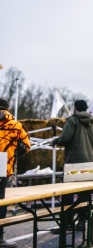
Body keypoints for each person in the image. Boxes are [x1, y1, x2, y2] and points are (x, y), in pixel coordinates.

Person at [52, 100, 93, 231]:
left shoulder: (72, 120)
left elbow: (65, 138)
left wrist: (55, 140)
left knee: (68, 193)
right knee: (84, 193)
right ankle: (81, 222)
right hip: (88, 162)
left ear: (75, 109)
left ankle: (68, 222)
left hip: (72, 163)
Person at [0, 98, 31, 248]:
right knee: (0, 203)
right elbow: (26, 146)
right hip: (2, 164)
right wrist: (12, 153)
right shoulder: (16, 125)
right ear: (7, 107)